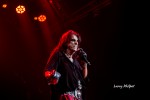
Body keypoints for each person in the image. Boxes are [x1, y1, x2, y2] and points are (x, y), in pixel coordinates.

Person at [44, 29, 90, 100]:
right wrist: (53, 75)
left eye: (77, 41)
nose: (76, 43)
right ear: (65, 42)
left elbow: (83, 78)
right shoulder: (59, 55)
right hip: (65, 96)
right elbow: (47, 71)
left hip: (77, 97)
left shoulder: (75, 61)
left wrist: (85, 65)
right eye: (73, 40)